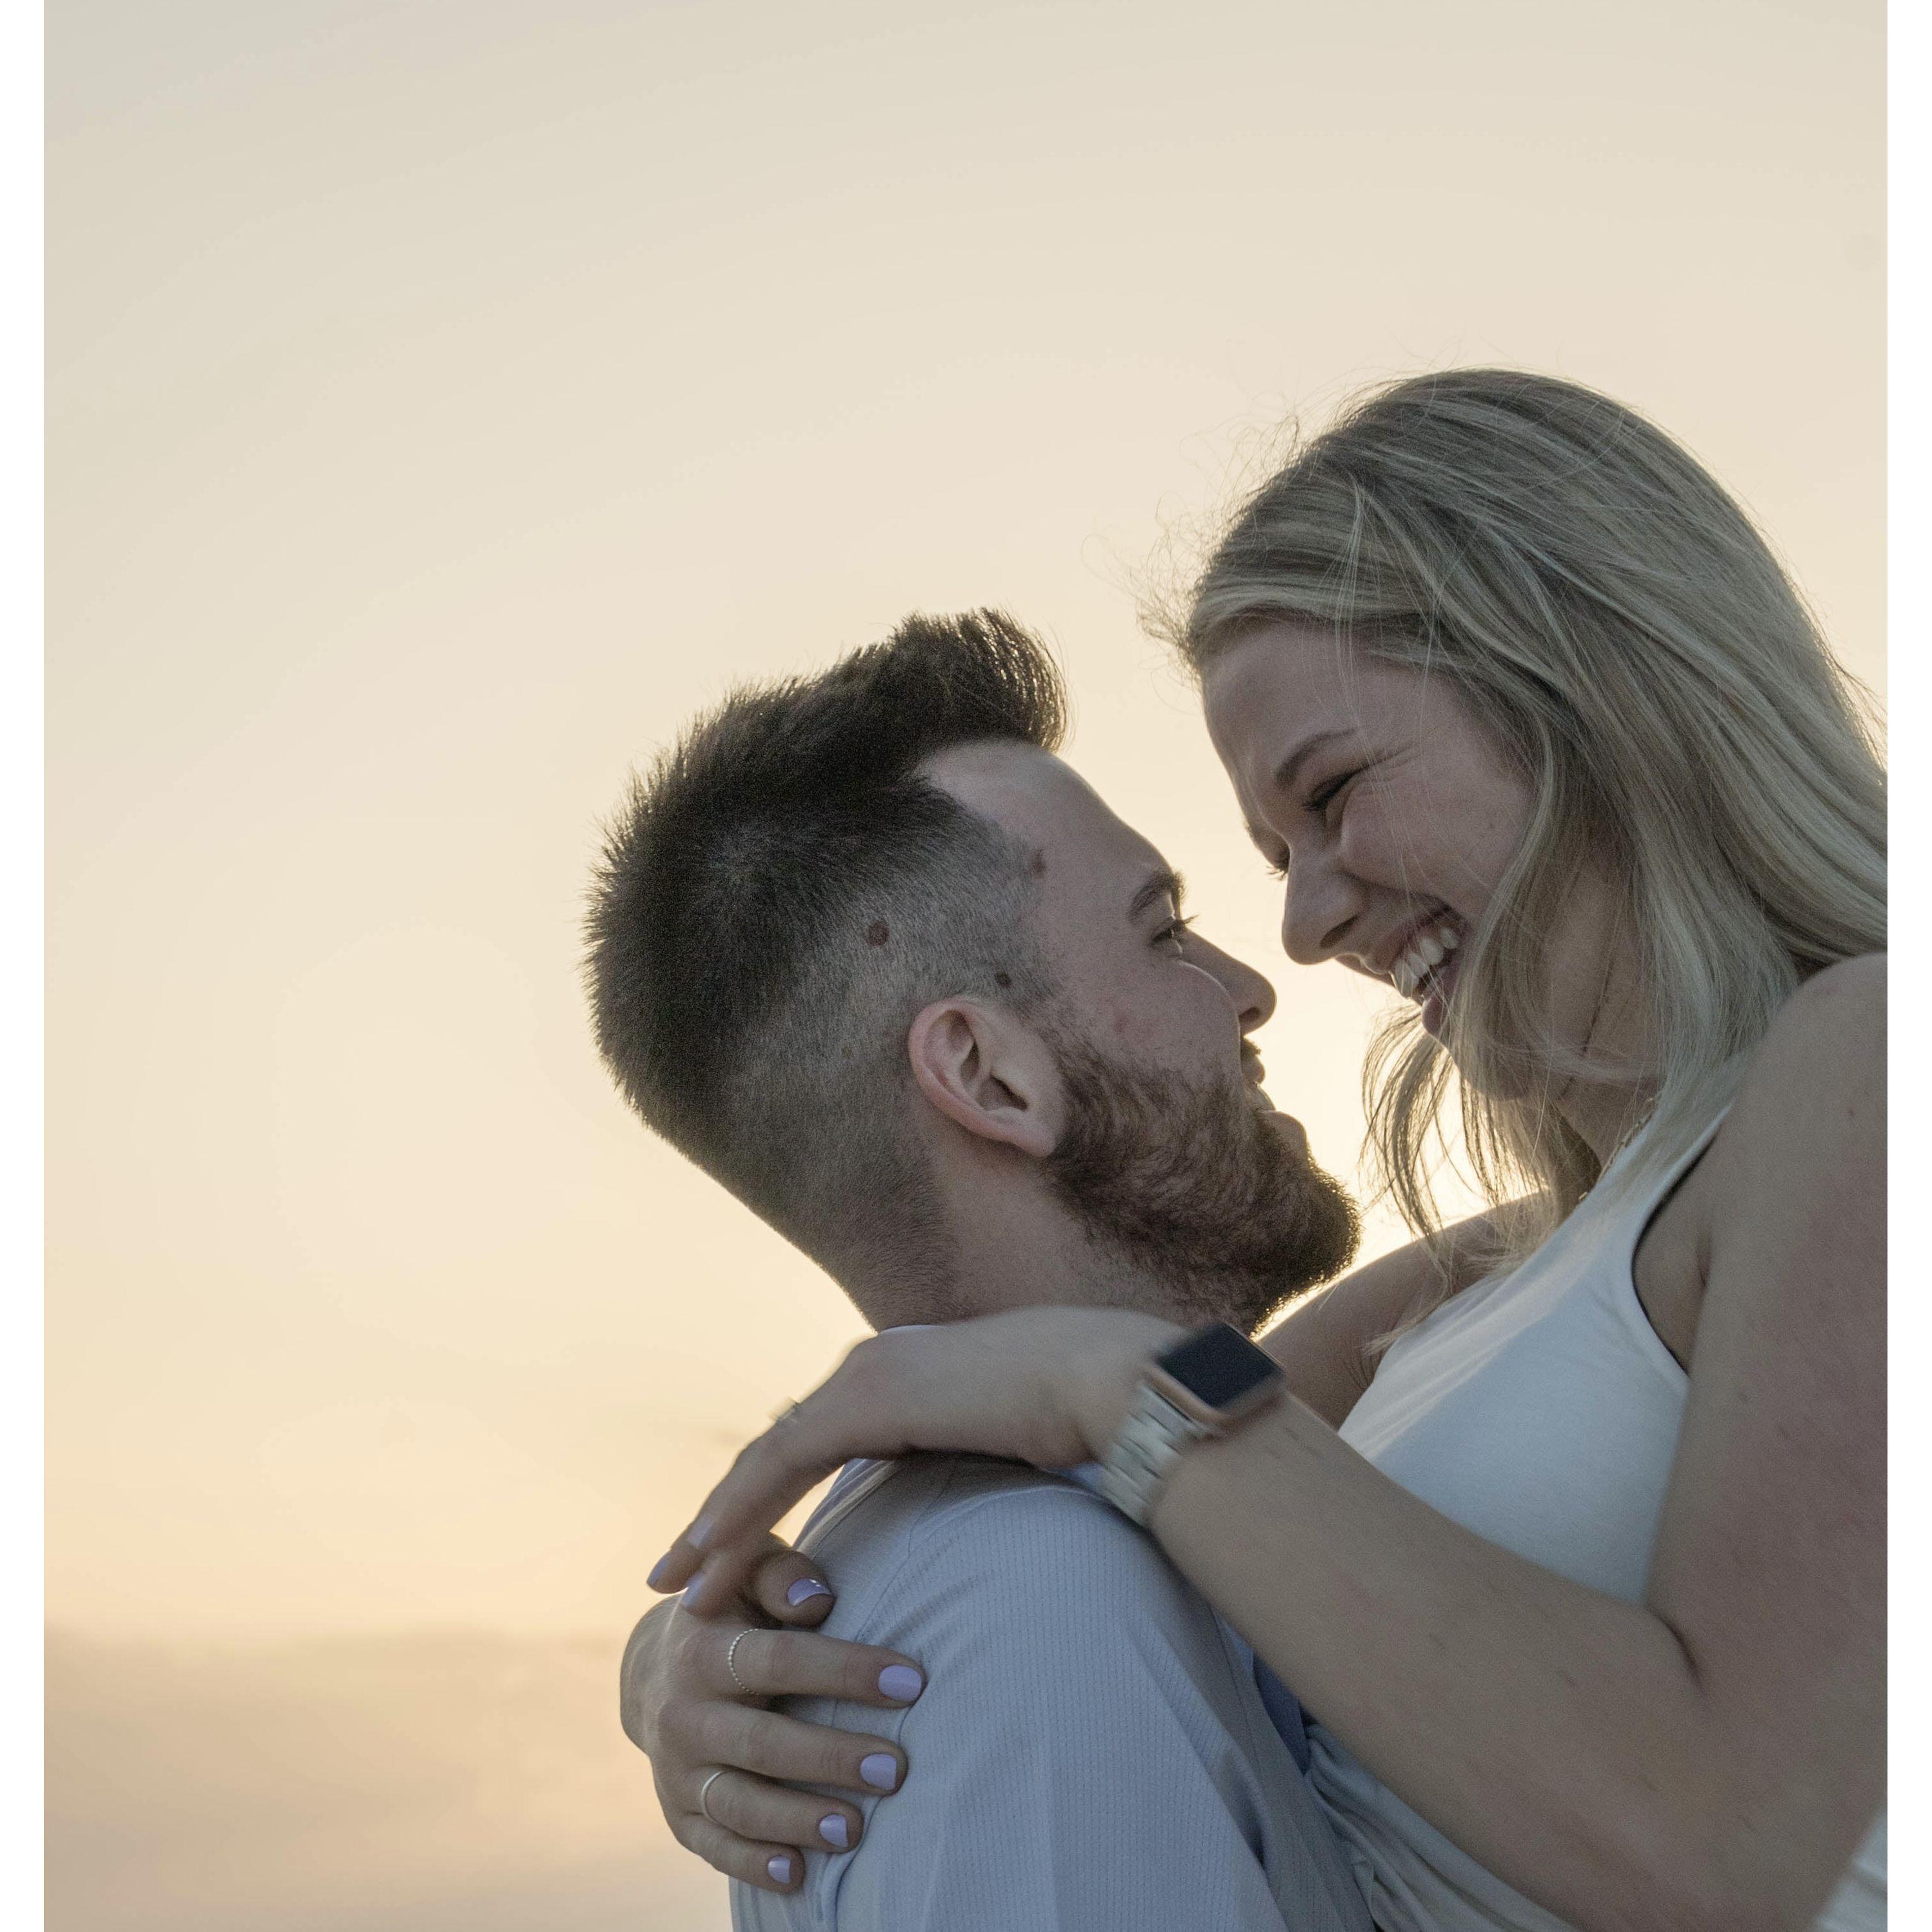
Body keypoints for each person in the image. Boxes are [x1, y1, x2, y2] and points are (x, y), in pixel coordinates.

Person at [635, 370, 1887, 1932]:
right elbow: (1117, 1459)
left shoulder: (1868, 1062)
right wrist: (691, 1650)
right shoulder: (1493, 1270)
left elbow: (1731, 1839)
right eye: (1274, 854)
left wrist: (1103, 1383)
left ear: (1589, 682)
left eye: (1334, 793)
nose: (1299, 926)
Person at [586, 610, 1379, 1927]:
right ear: (988, 1076)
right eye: (1163, 931)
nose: (1249, 986)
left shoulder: (1091, 1526)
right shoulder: (1040, 1612)